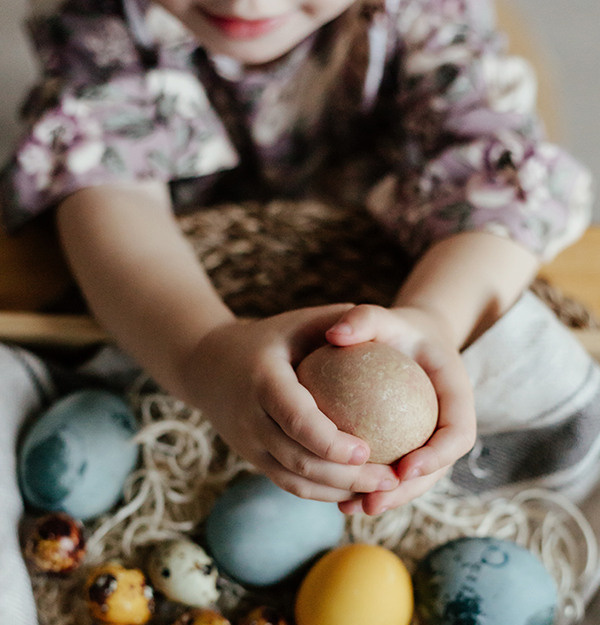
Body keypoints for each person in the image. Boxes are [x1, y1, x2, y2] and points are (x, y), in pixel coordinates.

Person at [0, 0, 592, 515]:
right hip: (188, 241)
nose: (246, 3)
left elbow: (499, 179)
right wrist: (204, 356)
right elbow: (111, 195)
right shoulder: (107, 24)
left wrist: (435, 318)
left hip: (377, 217)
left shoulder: (421, 16)